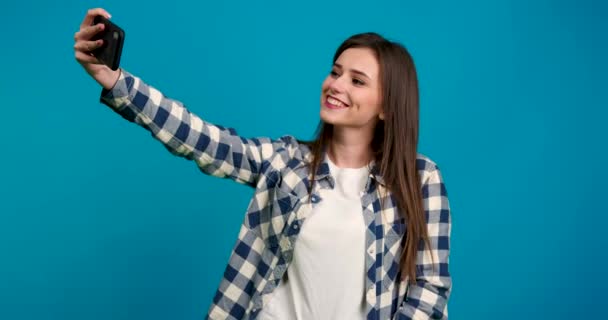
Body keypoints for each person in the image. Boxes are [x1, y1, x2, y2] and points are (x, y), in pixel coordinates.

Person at [74, 8, 452, 320]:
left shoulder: (419, 180)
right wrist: (116, 80)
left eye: (357, 81)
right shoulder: (286, 162)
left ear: (387, 106)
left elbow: (430, 288)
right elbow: (203, 140)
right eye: (335, 72)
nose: (336, 85)